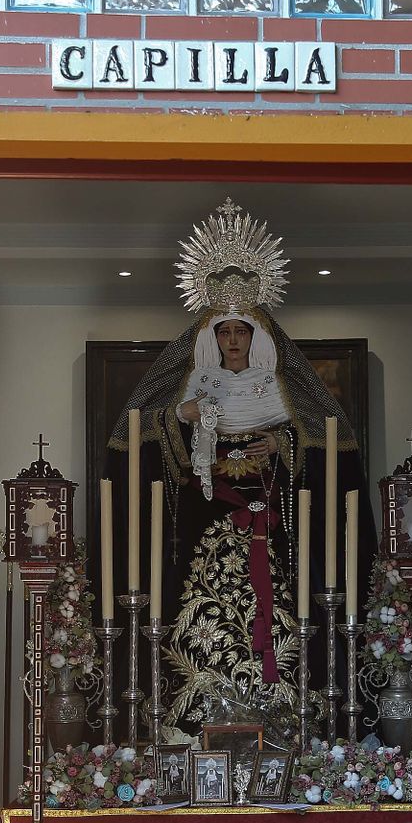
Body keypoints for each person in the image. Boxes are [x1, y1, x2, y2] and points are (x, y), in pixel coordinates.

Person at [106, 200, 374, 748]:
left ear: (257, 335)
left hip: (270, 530)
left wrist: (286, 442)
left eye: (241, 331)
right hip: (207, 531)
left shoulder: (282, 391)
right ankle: (195, 723)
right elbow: (137, 444)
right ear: (213, 335)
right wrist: (179, 419)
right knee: (201, 619)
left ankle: (278, 721)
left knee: (273, 615)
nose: (233, 340)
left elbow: (333, 447)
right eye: (224, 331)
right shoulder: (194, 388)